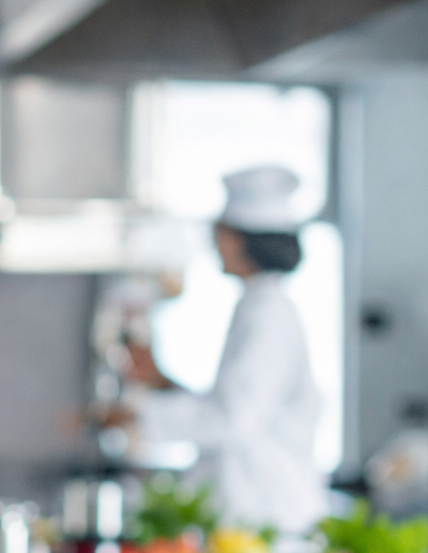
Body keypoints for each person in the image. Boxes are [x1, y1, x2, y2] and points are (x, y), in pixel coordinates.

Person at [127, 166, 327, 534]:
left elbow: (233, 419)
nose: (214, 244)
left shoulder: (269, 314)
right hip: (250, 513)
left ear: (238, 240)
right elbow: (238, 406)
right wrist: (161, 383)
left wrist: (133, 414)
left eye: (218, 234)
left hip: (266, 513)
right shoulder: (257, 306)